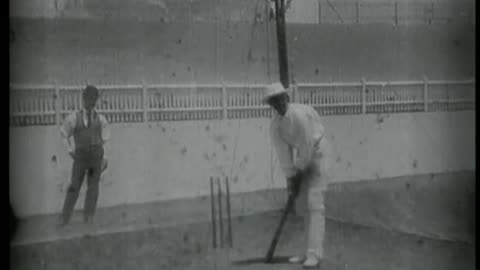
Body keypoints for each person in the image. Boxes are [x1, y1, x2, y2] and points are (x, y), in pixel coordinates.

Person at [263, 82, 334, 268]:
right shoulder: (275, 127)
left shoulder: (300, 115)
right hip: (304, 156)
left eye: (281, 99)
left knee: (314, 202)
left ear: (286, 97)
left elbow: (308, 146)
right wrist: (290, 179)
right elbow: (284, 155)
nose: (279, 104)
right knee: (302, 205)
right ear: (271, 105)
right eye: (274, 102)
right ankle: (304, 252)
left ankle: (315, 254)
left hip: (319, 153)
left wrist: (299, 172)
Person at [58, 85, 109, 226]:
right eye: (89, 98)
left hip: (96, 157)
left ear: (96, 100)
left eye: (94, 99)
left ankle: (89, 217)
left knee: (93, 188)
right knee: (74, 185)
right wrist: (69, 150)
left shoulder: (101, 119)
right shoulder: (74, 117)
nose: (91, 101)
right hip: (80, 157)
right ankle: (64, 218)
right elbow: (63, 133)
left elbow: (106, 140)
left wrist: (105, 158)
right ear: (84, 98)